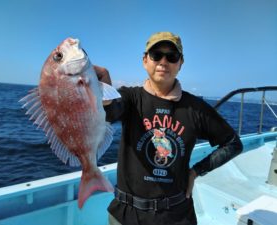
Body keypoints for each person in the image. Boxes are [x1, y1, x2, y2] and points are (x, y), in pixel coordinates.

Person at [94, 31, 243, 225]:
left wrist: (196, 171)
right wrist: (103, 91)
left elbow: (233, 143)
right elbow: (110, 112)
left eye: (171, 57)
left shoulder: (195, 108)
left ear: (180, 63)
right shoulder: (130, 98)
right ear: (145, 60)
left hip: (176, 216)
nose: (163, 62)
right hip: (125, 215)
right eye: (156, 55)